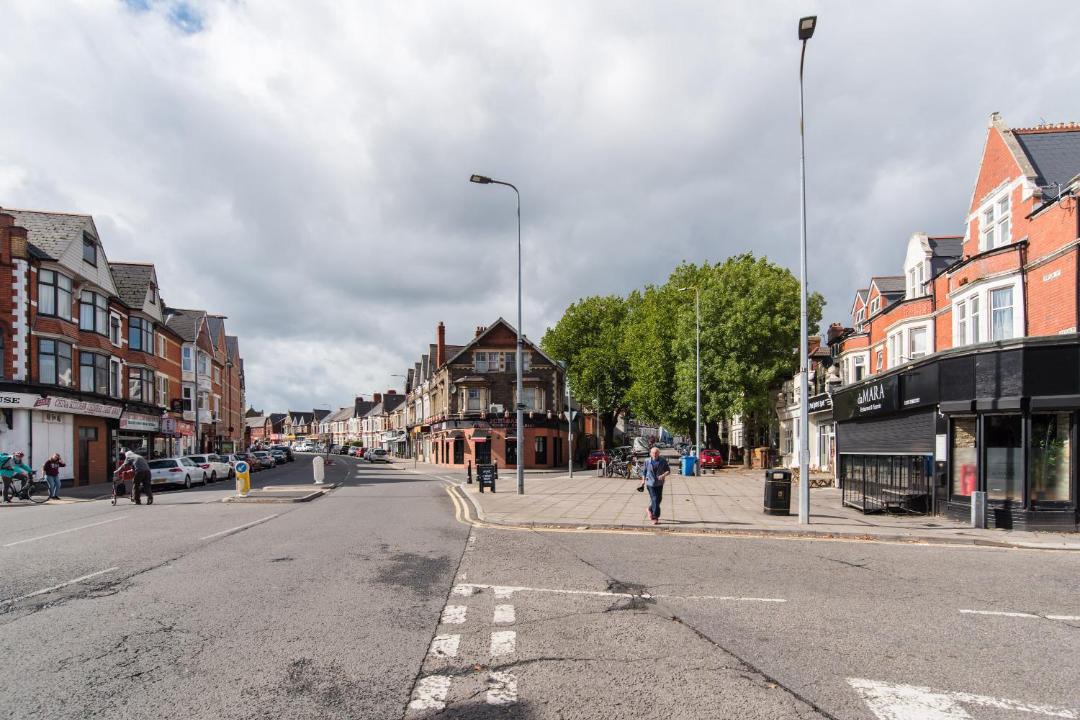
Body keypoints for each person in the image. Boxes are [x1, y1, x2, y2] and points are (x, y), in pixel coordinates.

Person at [639, 446, 671, 525]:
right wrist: (643, 481)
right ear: (650, 453)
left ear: (659, 453)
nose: (654, 454)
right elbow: (644, 472)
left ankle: (649, 509)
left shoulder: (663, 461)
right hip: (650, 483)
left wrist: (663, 475)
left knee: (658, 499)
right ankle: (655, 517)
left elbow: (668, 471)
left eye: (656, 453)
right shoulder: (647, 461)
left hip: (660, 483)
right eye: (653, 453)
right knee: (655, 498)